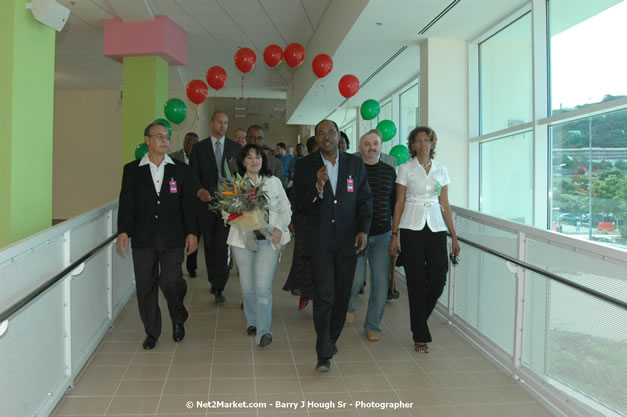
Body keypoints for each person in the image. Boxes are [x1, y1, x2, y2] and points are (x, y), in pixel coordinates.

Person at [294, 119, 373, 372]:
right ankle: (323, 352)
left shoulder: (355, 163)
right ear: (316, 139)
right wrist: (317, 186)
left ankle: (330, 339)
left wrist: (363, 229)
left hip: (348, 240)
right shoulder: (305, 166)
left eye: (331, 132)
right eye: (321, 133)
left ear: (339, 135)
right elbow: (301, 205)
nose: (326, 137)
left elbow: (364, 199)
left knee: (342, 295)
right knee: (324, 295)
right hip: (320, 242)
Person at [116, 121, 198, 350]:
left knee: (171, 281)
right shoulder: (132, 170)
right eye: (159, 136)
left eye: (167, 137)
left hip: (173, 237)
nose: (164, 140)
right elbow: (127, 203)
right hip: (143, 238)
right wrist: (123, 231)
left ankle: (178, 316)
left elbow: (187, 204)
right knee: (146, 286)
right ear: (147, 140)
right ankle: (152, 331)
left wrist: (192, 232)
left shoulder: (180, 169)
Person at [388, 126, 460, 354]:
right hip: (411, 227)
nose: (423, 144)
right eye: (418, 140)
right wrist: (395, 233)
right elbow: (398, 203)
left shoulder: (441, 169)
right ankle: (420, 335)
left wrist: (454, 236)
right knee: (416, 281)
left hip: (436, 226)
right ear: (412, 145)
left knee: (439, 278)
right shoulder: (405, 168)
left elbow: (445, 204)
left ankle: (418, 321)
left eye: (426, 140)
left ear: (432, 143)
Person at [227, 144, 292, 348]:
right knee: (248, 287)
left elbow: (285, 208)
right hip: (242, 240)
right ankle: (253, 322)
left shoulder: (273, 182)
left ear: (263, 160)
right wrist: (240, 218)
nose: (254, 160)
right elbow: (226, 212)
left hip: (269, 240)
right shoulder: (236, 183)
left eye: (258, 157)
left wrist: (280, 227)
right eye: (249, 157)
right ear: (243, 161)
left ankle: (264, 331)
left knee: (263, 287)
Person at [346, 129, 396, 341]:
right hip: (357, 234)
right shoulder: (353, 171)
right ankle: (349, 305)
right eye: (367, 144)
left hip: (383, 234)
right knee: (355, 281)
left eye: (375, 143)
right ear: (360, 148)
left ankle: (372, 325)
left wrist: (396, 233)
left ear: (381, 147)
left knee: (380, 282)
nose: (371, 147)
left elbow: (395, 203)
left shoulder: (389, 171)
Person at [188, 111, 242, 304]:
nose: (222, 126)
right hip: (206, 204)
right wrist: (199, 189)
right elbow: (192, 174)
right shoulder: (199, 148)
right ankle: (214, 280)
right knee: (210, 245)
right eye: (219, 122)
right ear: (212, 123)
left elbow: (240, 176)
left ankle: (221, 284)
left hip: (228, 205)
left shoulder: (235, 148)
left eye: (226, 123)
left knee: (223, 244)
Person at [283, 137, 317, 310]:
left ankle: (315, 294)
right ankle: (304, 292)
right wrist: (292, 220)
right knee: (303, 259)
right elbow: (296, 195)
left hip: (323, 221)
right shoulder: (303, 166)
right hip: (304, 219)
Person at [170, 132, 201, 277]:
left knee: (194, 235)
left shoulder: (200, 159)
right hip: (176, 205)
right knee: (177, 237)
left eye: (194, 143)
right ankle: (176, 266)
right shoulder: (173, 157)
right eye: (188, 142)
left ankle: (192, 267)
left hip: (195, 205)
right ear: (183, 142)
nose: (190, 145)